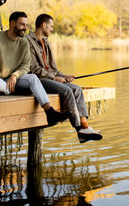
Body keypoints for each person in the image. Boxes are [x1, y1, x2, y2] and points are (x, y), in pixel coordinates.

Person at [0, 11, 70, 127]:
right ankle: (12, 91)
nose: (25, 28)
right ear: (12, 23)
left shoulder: (24, 42)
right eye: (22, 25)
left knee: (32, 78)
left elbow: (26, 66)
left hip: (10, 81)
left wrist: (14, 75)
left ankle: (49, 112)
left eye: (26, 25)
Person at [26, 14, 103, 143]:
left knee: (77, 89)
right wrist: (54, 79)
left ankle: (85, 126)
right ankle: (79, 129)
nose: (52, 29)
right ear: (43, 25)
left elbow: (53, 68)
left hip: (50, 78)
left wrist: (63, 76)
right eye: (51, 26)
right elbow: (34, 69)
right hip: (38, 80)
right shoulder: (28, 41)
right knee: (66, 91)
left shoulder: (46, 42)